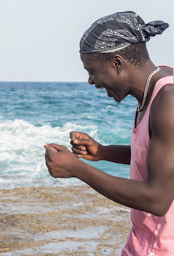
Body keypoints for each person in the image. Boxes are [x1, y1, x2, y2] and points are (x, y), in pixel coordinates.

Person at [44, 11, 173, 255]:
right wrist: (103, 152)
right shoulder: (154, 87)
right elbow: (159, 157)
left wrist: (77, 169)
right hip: (141, 241)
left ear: (117, 63)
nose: (91, 81)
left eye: (91, 71)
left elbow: (157, 199)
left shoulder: (168, 101)